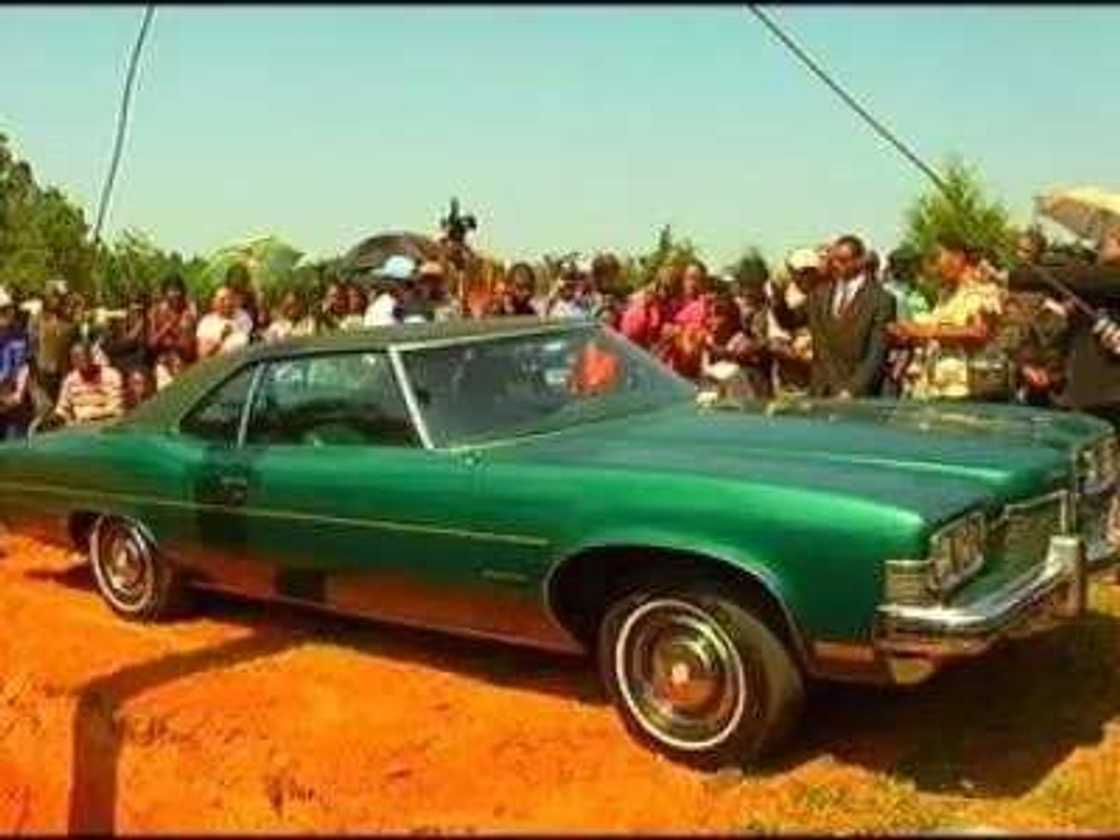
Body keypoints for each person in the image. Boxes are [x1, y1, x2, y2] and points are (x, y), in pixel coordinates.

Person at [1008, 226, 1120, 427]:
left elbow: (1070, 277)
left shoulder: (1108, 278)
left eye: (1110, 239)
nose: (1102, 243)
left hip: (1102, 397)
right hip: (1085, 392)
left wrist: (1020, 272)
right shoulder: (1097, 287)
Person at [770, 235, 896, 398]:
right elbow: (790, 321)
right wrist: (778, 298)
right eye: (833, 260)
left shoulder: (880, 300)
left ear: (860, 261)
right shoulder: (820, 295)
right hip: (821, 391)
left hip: (858, 395)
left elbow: (876, 353)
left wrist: (852, 390)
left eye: (843, 260)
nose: (836, 265)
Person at [890, 233, 1006, 401]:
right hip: (937, 386)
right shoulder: (946, 295)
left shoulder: (984, 291)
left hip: (966, 389)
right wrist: (909, 333)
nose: (935, 266)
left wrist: (927, 331)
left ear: (958, 257)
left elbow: (980, 332)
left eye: (937, 257)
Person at [30, 285, 79, 413]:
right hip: (42, 375)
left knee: (64, 410)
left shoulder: (66, 320)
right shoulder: (36, 319)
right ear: (45, 298)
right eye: (53, 296)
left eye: (58, 297)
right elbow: (32, 347)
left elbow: (70, 345)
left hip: (63, 373)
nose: (56, 300)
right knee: (46, 412)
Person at [54, 341, 124, 426]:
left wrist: (90, 414)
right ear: (72, 360)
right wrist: (57, 418)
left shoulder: (111, 376)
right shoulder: (70, 380)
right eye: (75, 357)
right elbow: (62, 408)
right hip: (79, 427)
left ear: (91, 356)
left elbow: (115, 408)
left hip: (107, 424)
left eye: (83, 355)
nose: (81, 359)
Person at [0, 288, 31, 440]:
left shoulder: (20, 334)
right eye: (3, 310)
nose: (8, 313)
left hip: (15, 402)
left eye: (9, 309)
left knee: (16, 451)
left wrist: (18, 394)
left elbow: (23, 367)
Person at [147, 274, 198, 365]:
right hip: (162, 361)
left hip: (184, 361)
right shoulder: (156, 312)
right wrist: (167, 327)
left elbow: (187, 348)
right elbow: (151, 344)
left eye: (178, 290)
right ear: (165, 293)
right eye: (171, 290)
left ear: (183, 292)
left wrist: (169, 340)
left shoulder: (188, 313)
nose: (175, 294)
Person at [196, 286, 252, 359]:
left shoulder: (243, 316)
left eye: (230, 298)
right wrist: (222, 338)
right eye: (222, 300)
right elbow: (203, 355)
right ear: (214, 303)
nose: (227, 303)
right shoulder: (207, 323)